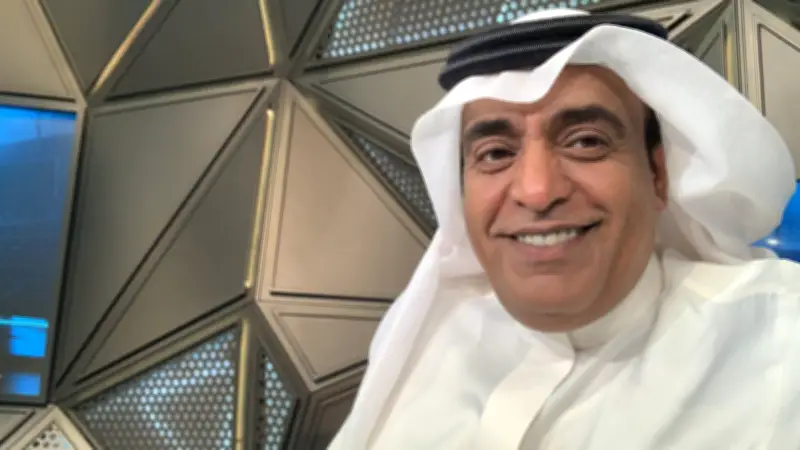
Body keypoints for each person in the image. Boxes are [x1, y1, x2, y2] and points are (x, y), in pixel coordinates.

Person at [329, 8, 800, 450]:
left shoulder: (781, 333)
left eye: (586, 142)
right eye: (495, 153)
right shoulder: (424, 338)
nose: (537, 191)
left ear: (658, 175)